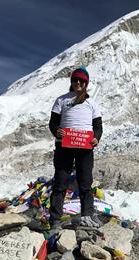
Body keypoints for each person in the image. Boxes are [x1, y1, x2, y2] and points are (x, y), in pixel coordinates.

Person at [48, 67, 103, 228]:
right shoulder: (61, 100)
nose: (78, 83)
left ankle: (87, 214)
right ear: (71, 82)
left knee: (85, 182)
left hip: (85, 147)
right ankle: (55, 218)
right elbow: (53, 122)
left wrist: (96, 138)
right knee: (61, 182)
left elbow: (98, 126)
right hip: (64, 146)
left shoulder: (92, 103)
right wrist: (56, 131)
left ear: (86, 83)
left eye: (81, 80)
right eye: (75, 80)